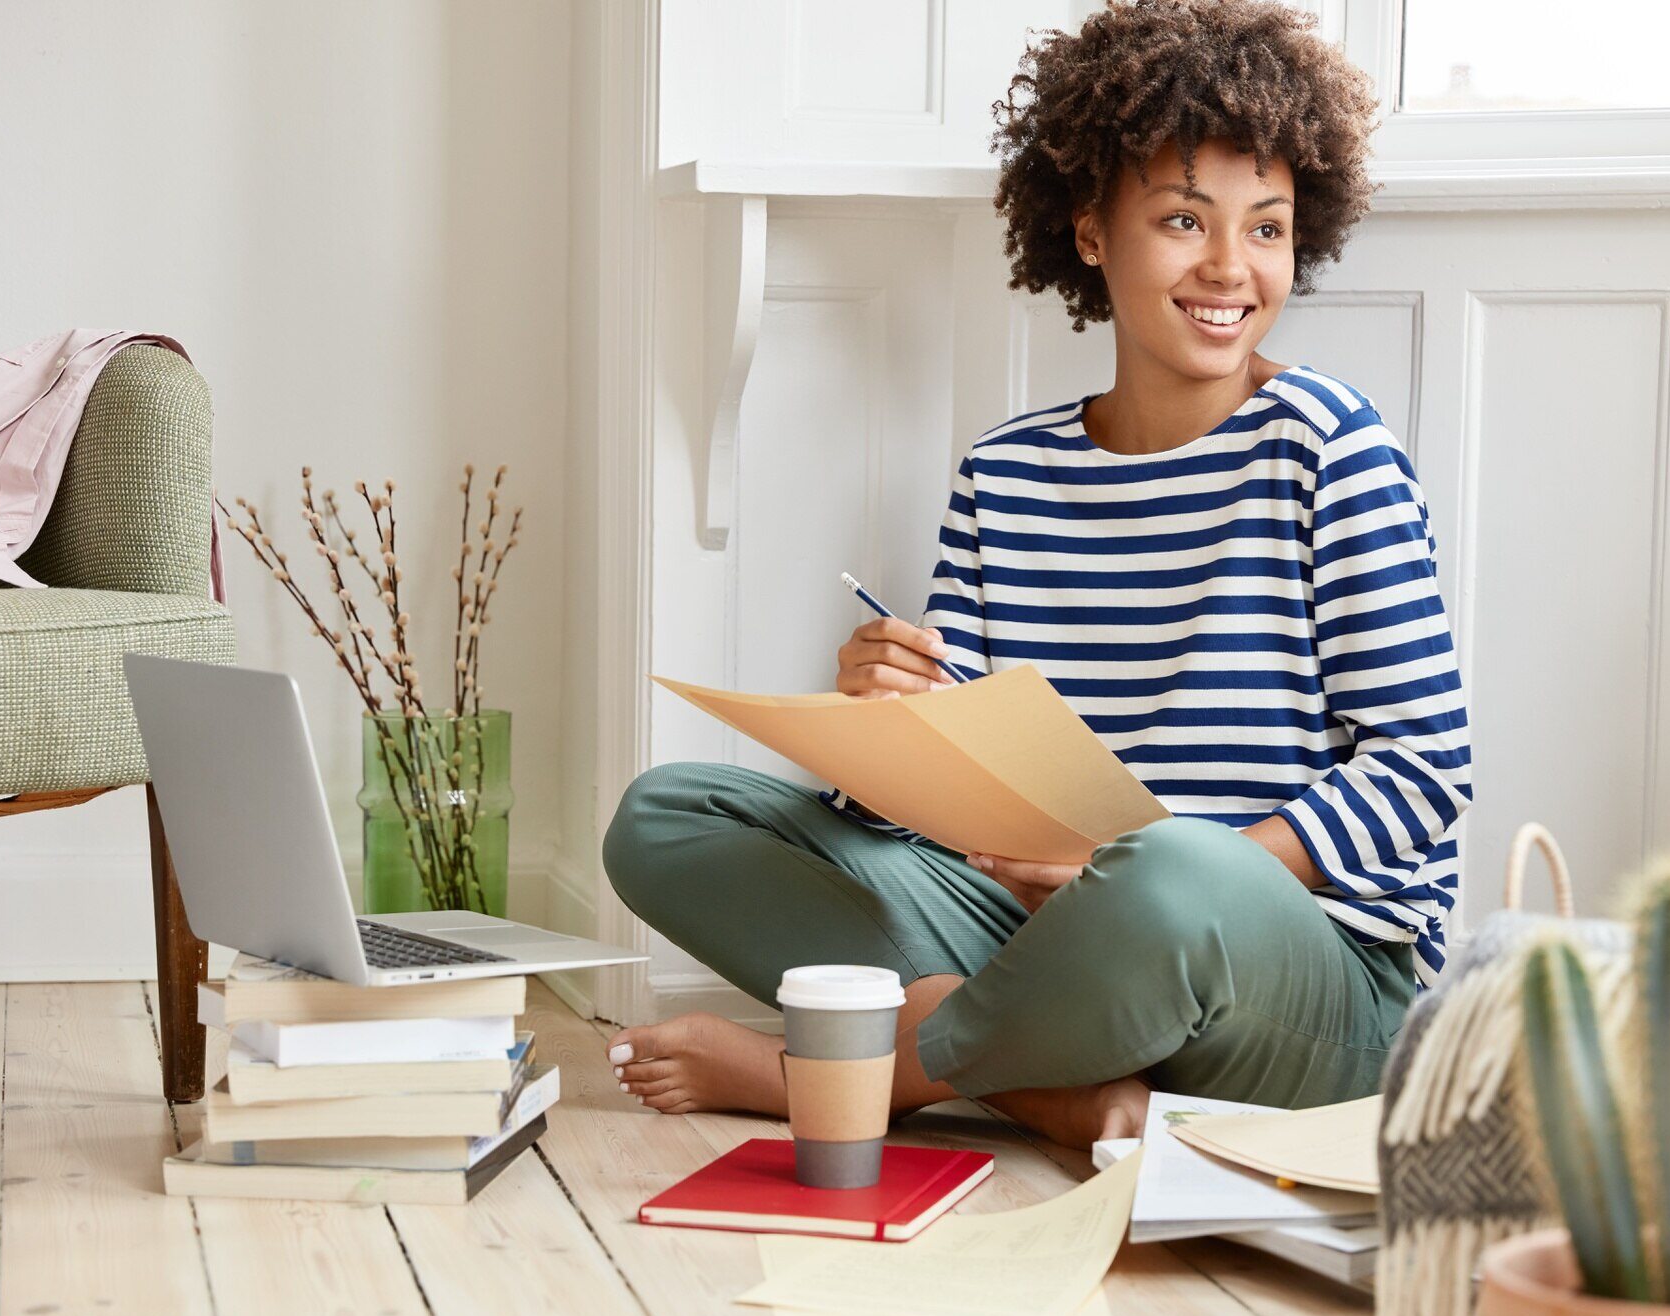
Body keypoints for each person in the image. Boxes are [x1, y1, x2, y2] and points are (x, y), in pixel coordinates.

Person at [600, 0, 1471, 1151]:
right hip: (1038, 935)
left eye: (1266, 228)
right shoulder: (1005, 473)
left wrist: (1137, 879)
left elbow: (1422, 769)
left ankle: (846, 1077)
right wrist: (885, 720)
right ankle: (1062, 1093)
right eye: (1181, 219)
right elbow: (926, 807)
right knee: (666, 815)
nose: (1230, 266)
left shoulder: (1325, 443)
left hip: (1296, 974)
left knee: (1165, 874)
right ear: (1092, 232)